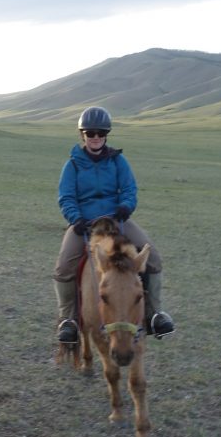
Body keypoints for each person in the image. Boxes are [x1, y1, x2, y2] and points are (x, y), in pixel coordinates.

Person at [53, 106, 176, 343]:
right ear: (83, 135)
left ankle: (154, 315)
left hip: (117, 219)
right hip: (84, 223)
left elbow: (129, 188)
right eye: (90, 133)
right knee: (63, 267)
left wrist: (125, 207)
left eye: (100, 132)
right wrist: (75, 218)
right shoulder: (73, 165)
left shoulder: (118, 160)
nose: (96, 137)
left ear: (107, 134)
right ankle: (67, 320)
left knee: (153, 257)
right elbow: (66, 196)